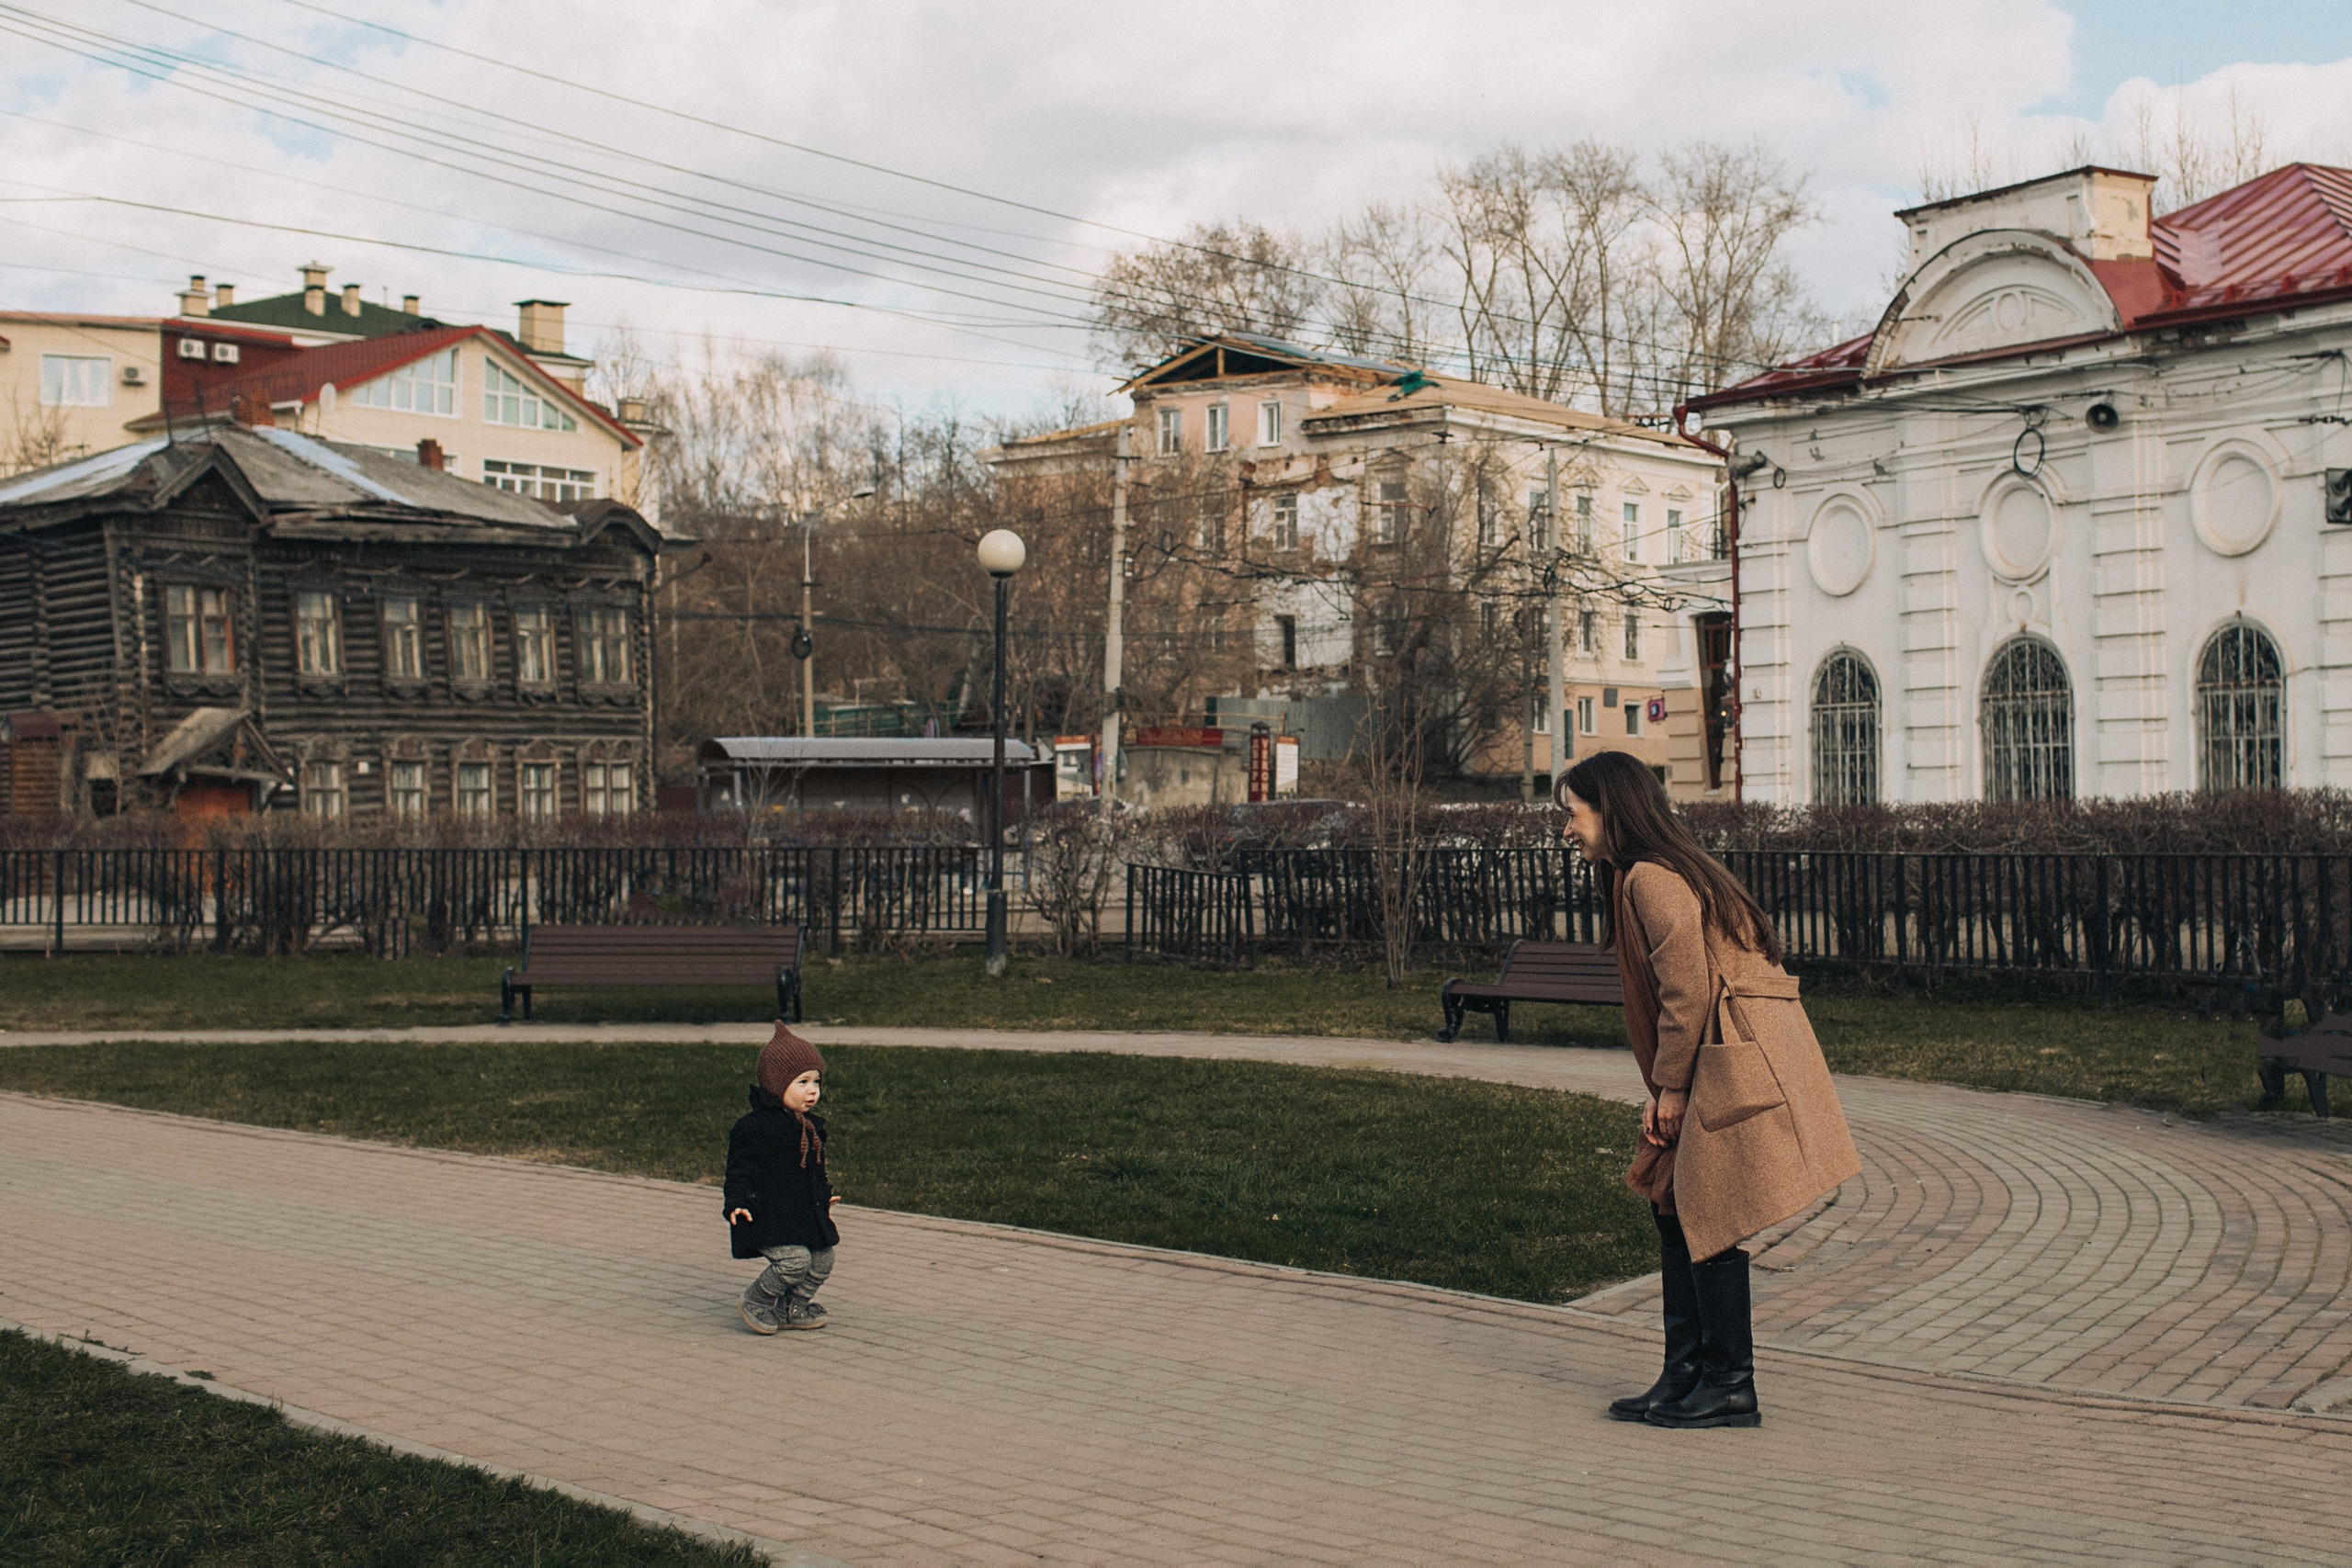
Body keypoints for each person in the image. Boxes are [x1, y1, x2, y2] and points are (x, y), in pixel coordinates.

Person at [1559, 750, 1860, 1429]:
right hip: (1728, 1051)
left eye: (1573, 813)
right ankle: (1687, 1370)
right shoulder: (1654, 871)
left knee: (1706, 1208)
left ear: (1611, 810)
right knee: (1674, 1204)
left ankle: (1730, 1382)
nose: (1568, 828)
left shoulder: (1650, 878)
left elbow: (1687, 989)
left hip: (1727, 1058)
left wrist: (1670, 1088)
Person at [725, 1022, 841, 1334]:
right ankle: (756, 1301)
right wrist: (737, 1202)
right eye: (802, 1082)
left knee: (822, 1258)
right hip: (768, 1214)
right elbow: (740, 1171)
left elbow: (816, 1168)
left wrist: (823, 1192)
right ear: (777, 1086)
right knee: (795, 1260)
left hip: (801, 1214)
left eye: (817, 1081)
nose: (813, 1090)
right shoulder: (755, 1128)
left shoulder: (810, 1127)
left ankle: (793, 1307)